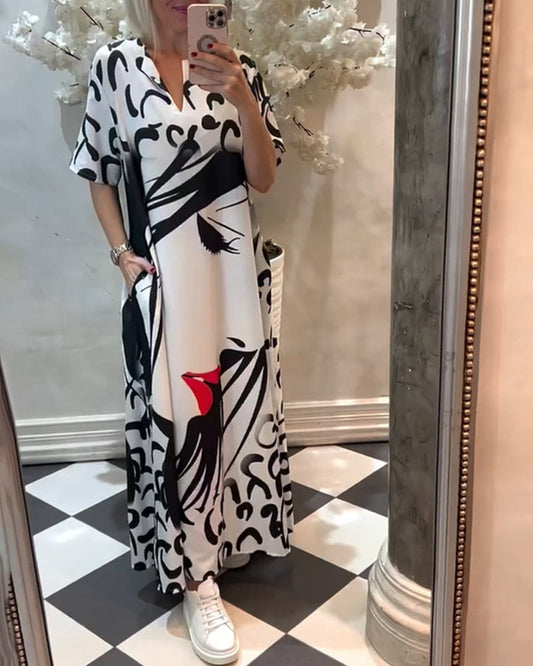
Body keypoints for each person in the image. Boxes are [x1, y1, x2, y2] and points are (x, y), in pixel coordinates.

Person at [68, 1, 294, 663]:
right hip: (166, 283)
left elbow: (263, 178)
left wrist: (244, 99)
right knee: (179, 420)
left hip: (232, 279)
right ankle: (197, 581)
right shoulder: (115, 66)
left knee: (233, 410)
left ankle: (226, 537)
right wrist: (122, 256)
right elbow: (99, 174)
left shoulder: (238, 67)